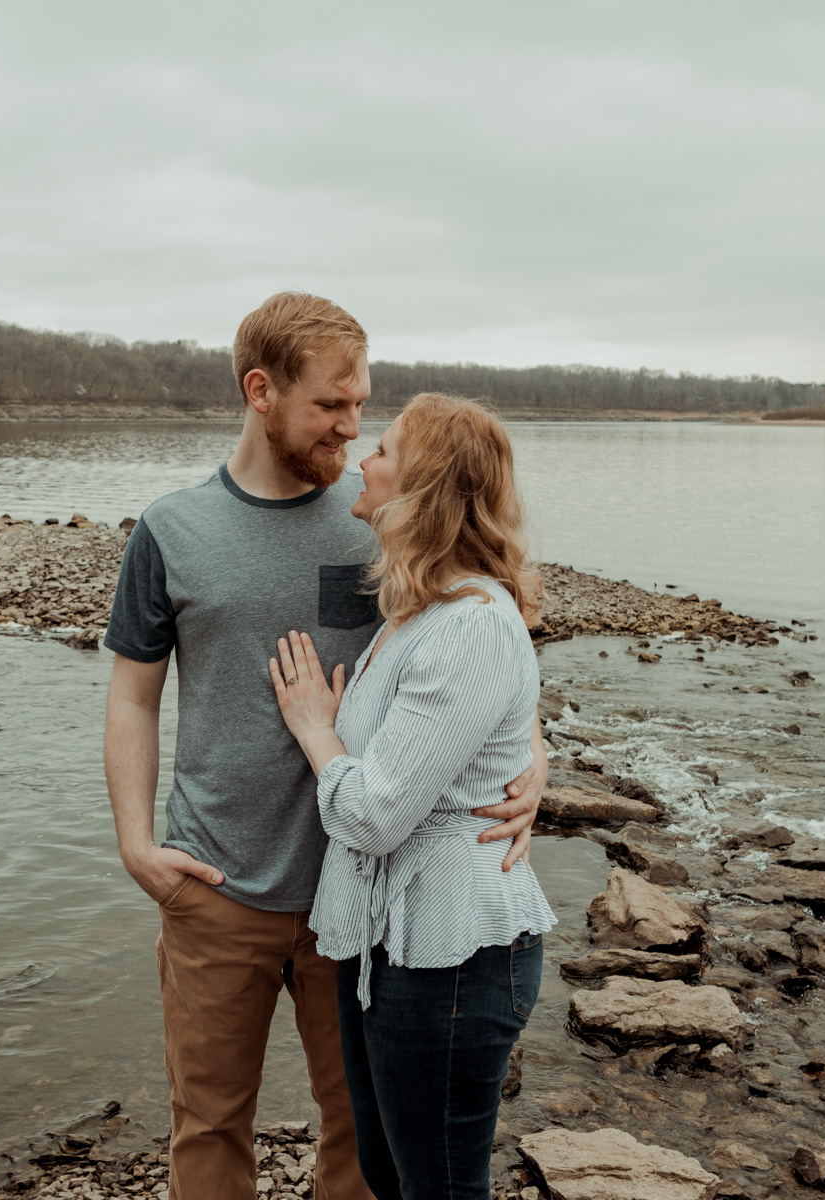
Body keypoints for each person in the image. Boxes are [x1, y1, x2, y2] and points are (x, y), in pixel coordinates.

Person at [101, 295, 548, 1200]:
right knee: (208, 1122)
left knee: (362, 1131)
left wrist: (532, 762)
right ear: (260, 391)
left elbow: (481, 648)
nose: (351, 427)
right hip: (215, 882)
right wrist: (136, 844)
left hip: (366, 899)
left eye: (361, 407)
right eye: (331, 405)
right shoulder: (170, 530)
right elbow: (133, 697)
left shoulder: (385, 512)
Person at [269, 393, 553, 1200]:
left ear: (424, 486)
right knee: (388, 1176)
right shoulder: (421, 611)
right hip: (393, 949)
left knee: (440, 1190)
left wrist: (315, 730)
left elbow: (375, 815)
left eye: (385, 449)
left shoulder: (470, 624)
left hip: (453, 960)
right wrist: (535, 748)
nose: (363, 457)